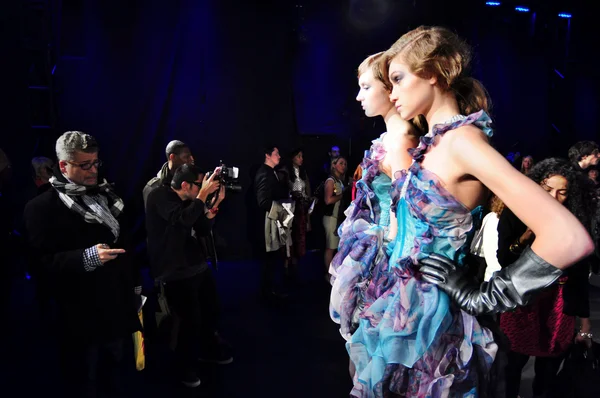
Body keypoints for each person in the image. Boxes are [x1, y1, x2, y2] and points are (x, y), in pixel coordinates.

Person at [336, 26, 592, 397]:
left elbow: (568, 237)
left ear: (434, 72)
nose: (391, 93)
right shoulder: (436, 143)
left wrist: (484, 296)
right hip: (401, 307)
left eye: (398, 79)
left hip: (433, 318)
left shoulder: (462, 142)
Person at [23, 131, 142, 397]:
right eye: (84, 165)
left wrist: (135, 288)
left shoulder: (110, 195)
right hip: (79, 317)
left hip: (116, 308)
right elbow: (39, 265)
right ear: (63, 166)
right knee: (83, 381)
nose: (93, 170)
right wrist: (84, 258)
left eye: (96, 162)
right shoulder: (40, 207)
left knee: (117, 376)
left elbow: (127, 248)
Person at [329, 51, 422, 336]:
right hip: (375, 244)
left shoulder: (400, 139)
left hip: (386, 254)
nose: (359, 97)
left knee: (367, 350)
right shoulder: (389, 137)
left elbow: (406, 210)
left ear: (389, 88)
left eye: (366, 87)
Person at [495, 158, 592, 398]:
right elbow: (504, 259)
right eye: (547, 189)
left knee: (547, 376)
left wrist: (585, 325)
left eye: (562, 192)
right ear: (536, 185)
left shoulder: (573, 222)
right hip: (522, 302)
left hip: (558, 306)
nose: (553, 197)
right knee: (512, 368)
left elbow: (579, 276)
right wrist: (526, 236)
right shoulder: (515, 213)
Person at [145, 163, 230, 388]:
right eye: (198, 184)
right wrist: (202, 196)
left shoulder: (192, 200)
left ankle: (206, 351)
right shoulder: (159, 196)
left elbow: (201, 227)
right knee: (188, 321)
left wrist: (216, 203)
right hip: (173, 269)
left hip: (195, 264)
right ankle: (185, 367)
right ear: (185, 185)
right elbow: (182, 219)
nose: (203, 186)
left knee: (211, 311)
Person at [254, 145, 289, 300]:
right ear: (267, 155)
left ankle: (271, 289)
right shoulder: (265, 173)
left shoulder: (270, 172)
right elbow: (263, 201)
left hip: (273, 222)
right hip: (267, 223)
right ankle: (269, 291)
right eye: (276, 153)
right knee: (270, 258)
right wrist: (281, 211)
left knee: (274, 257)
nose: (279, 156)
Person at [285, 148, 311, 281]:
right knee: (289, 237)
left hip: (301, 208)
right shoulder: (286, 172)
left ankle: (295, 266)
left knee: (299, 237)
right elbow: (286, 191)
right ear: (292, 157)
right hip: (289, 208)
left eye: (302, 156)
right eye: (298, 156)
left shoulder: (303, 173)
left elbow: (307, 192)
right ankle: (287, 266)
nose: (301, 159)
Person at [143, 140, 195, 207]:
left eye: (191, 156)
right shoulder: (153, 187)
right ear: (172, 157)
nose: (192, 159)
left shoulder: (194, 181)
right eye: (186, 157)